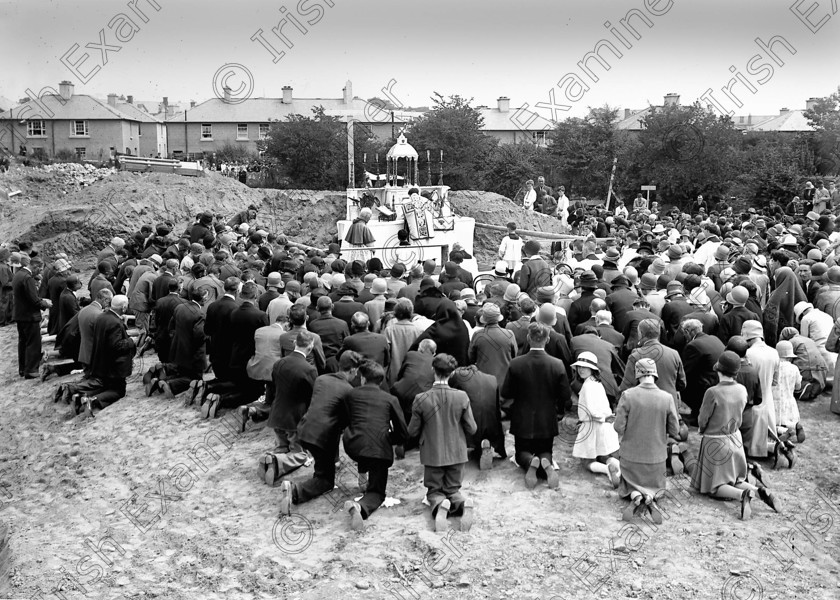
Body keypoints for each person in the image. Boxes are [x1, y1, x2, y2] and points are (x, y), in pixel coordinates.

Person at [690, 350, 779, 520]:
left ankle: (743, 495)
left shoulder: (712, 392)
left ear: (718, 370)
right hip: (735, 439)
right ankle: (758, 492)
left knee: (716, 487)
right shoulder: (742, 390)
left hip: (716, 442)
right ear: (736, 372)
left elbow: (703, 418)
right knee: (735, 478)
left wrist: (702, 430)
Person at [278, 351, 363, 513]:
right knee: (325, 480)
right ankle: (295, 491)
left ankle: (315, 471)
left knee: (323, 463)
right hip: (322, 437)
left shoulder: (321, 379)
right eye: (356, 371)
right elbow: (346, 421)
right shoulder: (348, 390)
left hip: (304, 429)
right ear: (352, 370)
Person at [408, 354, 477, 531]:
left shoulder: (421, 399)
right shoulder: (462, 396)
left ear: (433, 370)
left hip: (432, 453)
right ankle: (461, 504)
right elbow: (472, 428)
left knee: (434, 490)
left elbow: (412, 431)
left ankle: (440, 505)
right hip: (457, 452)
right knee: (454, 489)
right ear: (452, 373)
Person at [501, 322, 572, 489]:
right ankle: (543, 463)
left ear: (528, 338)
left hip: (522, 416)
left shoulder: (516, 363)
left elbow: (506, 392)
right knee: (545, 451)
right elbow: (566, 396)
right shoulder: (557, 364)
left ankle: (529, 462)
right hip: (547, 417)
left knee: (520, 453)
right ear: (547, 340)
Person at [341, 360, 408, 530]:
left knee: (365, 443)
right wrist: (390, 439)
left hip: (353, 445)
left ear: (362, 378)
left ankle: (362, 473)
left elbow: (348, 420)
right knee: (377, 493)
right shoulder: (390, 399)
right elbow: (403, 432)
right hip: (379, 450)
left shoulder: (350, 395)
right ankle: (361, 507)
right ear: (381, 381)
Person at [613, 358, 681, 522]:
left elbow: (618, 427)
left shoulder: (628, 396)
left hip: (631, 458)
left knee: (629, 483)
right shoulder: (667, 398)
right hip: (656, 460)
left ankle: (635, 495)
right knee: (655, 487)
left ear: (638, 375)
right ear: (655, 374)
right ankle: (650, 496)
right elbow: (675, 431)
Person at [262, 331, 319, 484]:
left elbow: (274, 387)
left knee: (282, 446)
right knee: (300, 454)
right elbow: (313, 396)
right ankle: (277, 463)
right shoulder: (309, 369)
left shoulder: (279, 363)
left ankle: (274, 456)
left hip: (276, 416)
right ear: (311, 346)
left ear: (295, 343)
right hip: (295, 420)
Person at [71, 295, 136, 417]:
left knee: (106, 386)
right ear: (124, 307)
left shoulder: (102, 316)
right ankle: (92, 401)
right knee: (118, 391)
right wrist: (131, 341)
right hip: (114, 365)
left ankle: (80, 397)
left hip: (101, 362)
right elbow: (116, 346)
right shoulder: (115, 322)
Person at [571, 352, 621, 487]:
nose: (581, 369)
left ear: (592, 369)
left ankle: (607, 470)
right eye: (579, 367)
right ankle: (619, 468)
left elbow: (592, 411)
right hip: (604, 426)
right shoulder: (597, 383)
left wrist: (601, 418)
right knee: (603, 456)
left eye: (584, 367)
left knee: (586, 462)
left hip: (592, 425)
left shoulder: (587, 386)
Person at [681, 319, 726, 425]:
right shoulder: (714, 338)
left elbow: (687, 371)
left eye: (684, 334)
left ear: (688, 332)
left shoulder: (693, 345)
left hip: (707, 384)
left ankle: (698, 413)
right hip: (719, 378)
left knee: (682, 385)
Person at [13, 256, 52, 379]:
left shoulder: (19, 274)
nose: (39, 272)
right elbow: (34, 300)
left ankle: (23, 369)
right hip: (30, 316)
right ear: (35, 266)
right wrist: (45, 303)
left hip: (20, 314)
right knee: (33, 343)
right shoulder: (28, 278)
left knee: (23, 342)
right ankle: (31, 370)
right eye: (39, 269)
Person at [469, 303, 517, 388]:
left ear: (484, 319)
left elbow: (471, 357)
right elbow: (514, 356)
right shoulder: (509, 334)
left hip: (484, 381)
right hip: (505, 380)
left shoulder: (478, 335)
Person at [773, 340, 804, 467]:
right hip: (789, 399)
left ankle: (783, 432)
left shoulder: (774, 366)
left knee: (776, 422)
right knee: (789, 418)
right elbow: (798, 387)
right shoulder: (794, 368)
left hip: (775, 399)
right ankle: (794, 427)